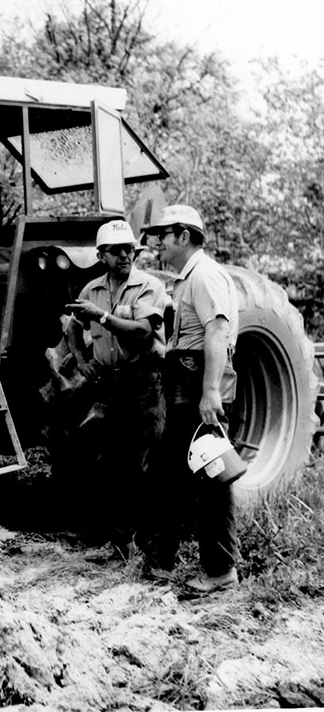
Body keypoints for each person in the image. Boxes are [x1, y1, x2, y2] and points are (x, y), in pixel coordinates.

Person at [141, 204, 240, 593]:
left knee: (212, 477)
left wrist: (210, 392)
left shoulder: (205, 277)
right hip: (186, 381)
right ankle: (163, 559)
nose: (157, 244)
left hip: (199, 381)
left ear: (184, 236)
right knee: (174, 472)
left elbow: (217, 332)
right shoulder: (190, 277)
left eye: (163, 236)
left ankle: (220, 571)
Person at [61, 219, 168, 552]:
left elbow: (143, 332)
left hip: (142, 385)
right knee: (106, 460)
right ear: (100, 255)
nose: (125, 255)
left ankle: (148, 541)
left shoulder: (149, 286)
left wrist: (104, 317)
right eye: (116, 251)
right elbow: (72, 329)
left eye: (129, 249)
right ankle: (112, 535)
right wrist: (81, 362)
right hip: (107, 386)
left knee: (145, 462)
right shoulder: (91, 290)